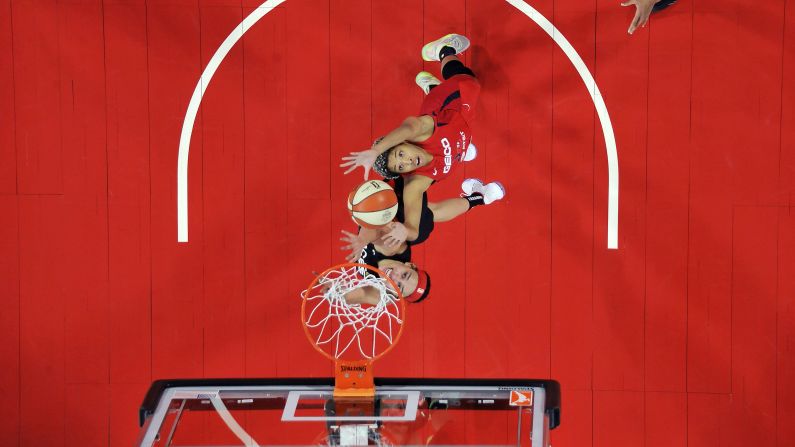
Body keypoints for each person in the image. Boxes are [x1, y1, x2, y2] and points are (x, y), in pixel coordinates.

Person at [341, 33, 502, 248]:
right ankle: (432, 87)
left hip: (451, 106)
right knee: (459, 146)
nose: (406, 162)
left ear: (404, 143)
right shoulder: (415, 184)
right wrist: (405, 230)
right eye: (400, 166)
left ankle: (443, 51)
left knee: (470, 81)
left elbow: (409, 127)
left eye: (400, 154)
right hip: (461, 128)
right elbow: (414, 229)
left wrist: (376, 150)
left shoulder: (420, 131)